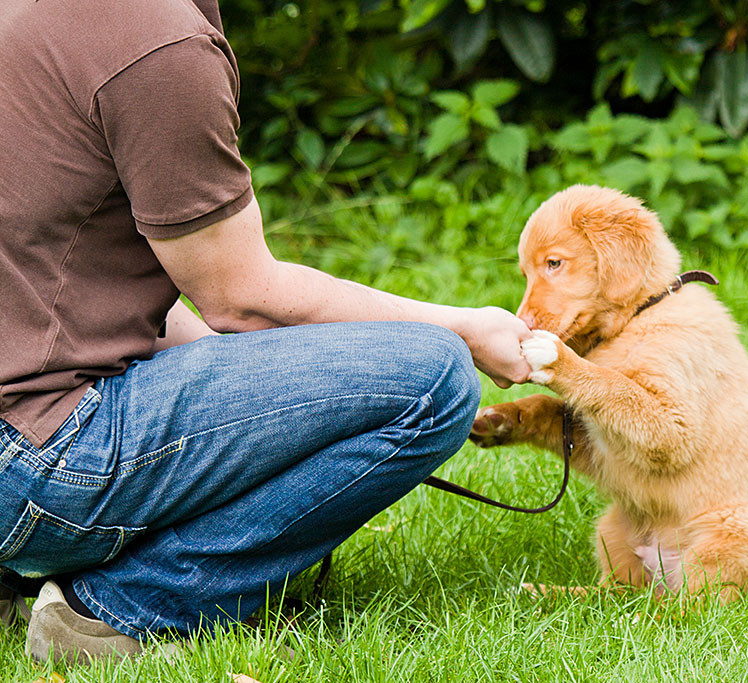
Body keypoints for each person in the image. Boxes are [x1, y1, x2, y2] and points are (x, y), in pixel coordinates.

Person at [0, 0, 532, 664]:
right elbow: (244, 298)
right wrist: (469, 329)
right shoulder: (155, 45)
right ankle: (118, 611)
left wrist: (270, 406)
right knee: (435, 379)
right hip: (34, 463)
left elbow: (77, 274)